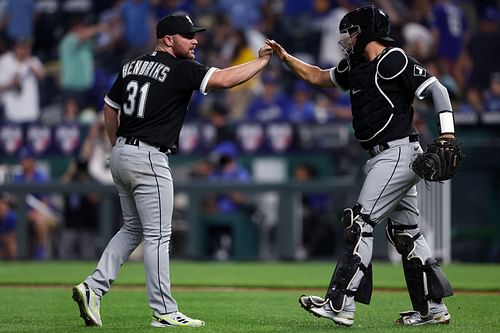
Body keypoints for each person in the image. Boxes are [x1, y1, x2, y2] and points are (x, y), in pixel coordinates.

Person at [72, 13, 272, 328]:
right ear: (168, 39)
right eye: (188, 35)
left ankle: (92, 288)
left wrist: (116, 147)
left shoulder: (131, 66)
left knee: (132, 229)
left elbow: (110, 109)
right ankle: (164, 311)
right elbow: (223, 80)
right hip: (150, 157)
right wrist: (260, 63)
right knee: (158, 236)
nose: (195, 40)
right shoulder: (179, 68)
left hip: (122, 152)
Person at [266, 5, 455, 327]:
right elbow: (317, 76)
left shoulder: (393, 59)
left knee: (360, 223)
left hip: (396, 154)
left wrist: (447, 135)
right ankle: (432, 309)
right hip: (390, 156)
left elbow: (437, 89)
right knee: (406, 233)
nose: (346, 39)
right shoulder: (357, 66)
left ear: (365, 32)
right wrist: (285, 58)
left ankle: (341, 304)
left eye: (351, 33)